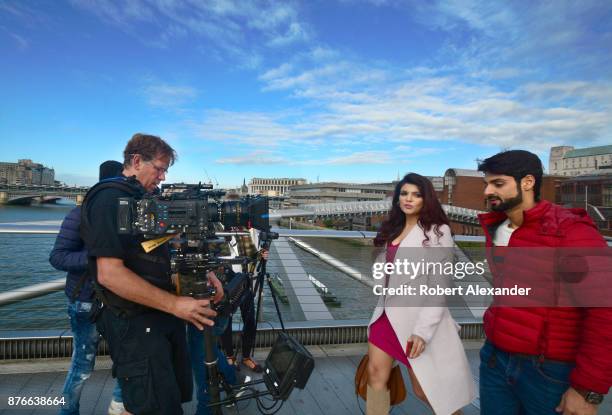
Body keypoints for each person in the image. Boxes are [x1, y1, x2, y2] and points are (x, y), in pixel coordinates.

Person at [81, 134, 221, 415]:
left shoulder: (141, 198)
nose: (162, 176)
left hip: (157, 318)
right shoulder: (110, 199)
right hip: (135, 323)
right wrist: (175, 304)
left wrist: (202, 273)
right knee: (152, 404)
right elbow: (109, 274)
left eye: (165, 169)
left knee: (160, 399)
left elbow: (149, 252)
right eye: (159, 168)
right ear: (136, 161)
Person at [476, 150, 611, 415]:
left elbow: (605, 312)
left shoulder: (571, 232)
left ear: (527, 182)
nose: (488, 191)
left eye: (498, 184)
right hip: (494, 359)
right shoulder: (498, 228)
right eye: (486, 184)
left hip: (549, 372)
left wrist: (587, 390)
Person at [366, 173, 474, 415]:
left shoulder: (438, 232)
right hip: (385, 315)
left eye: (416, 195)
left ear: (426, 200)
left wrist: (422, 332)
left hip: (417, 322)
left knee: (425, 390)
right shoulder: (393, 229)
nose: (408, 199)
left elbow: (439, 286)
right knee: (375, 377)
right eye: (404, 193)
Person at [50, 160, 128, 415]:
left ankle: (119, 408)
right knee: (82, 366)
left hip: (120, 300)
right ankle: (68, 411)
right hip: (86, 300)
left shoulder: (127, 214)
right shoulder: (79, 214)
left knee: (127, 363)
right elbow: (58, 257)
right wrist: (100, 257)